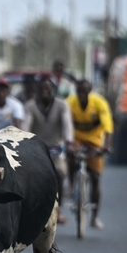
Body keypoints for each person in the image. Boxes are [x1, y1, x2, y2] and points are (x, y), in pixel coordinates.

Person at [24, 76, 74, 224]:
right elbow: (26, 125)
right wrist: (23, 139)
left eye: (48, 89)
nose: (45, 91)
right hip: (36, 149)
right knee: (29, 177)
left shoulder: (62, 105)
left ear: (53, 90)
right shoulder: (30, 106)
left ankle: (58, 211)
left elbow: (67, 125)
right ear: (37, 91)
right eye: (42, 89)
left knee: (59, 172)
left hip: (56, 148)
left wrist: (69, 141)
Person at [67, 80, 113, 230]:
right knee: (70, 159)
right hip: (76, 140)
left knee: (95, 177)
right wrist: (67, 143)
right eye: (79, 91)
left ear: (90, 91)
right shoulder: (69, 102)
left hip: (95, 141)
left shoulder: (100, 103)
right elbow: (64, 123)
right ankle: (72, 184)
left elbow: (108, 127)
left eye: (84, 91)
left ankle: (94, 216)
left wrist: (106, 146)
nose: (81, 94)